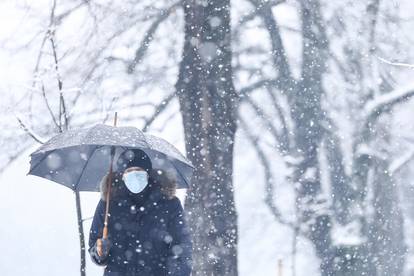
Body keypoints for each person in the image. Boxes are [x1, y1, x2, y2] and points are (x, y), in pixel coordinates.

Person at [88, 149, 193, 276]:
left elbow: (182, 248)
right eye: (129, 171)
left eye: (139, 171)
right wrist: (99, 252)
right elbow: (94, 245)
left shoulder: (169, 204)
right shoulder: (108, 203)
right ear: (122, 175)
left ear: (148, 173)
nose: (134, 175)